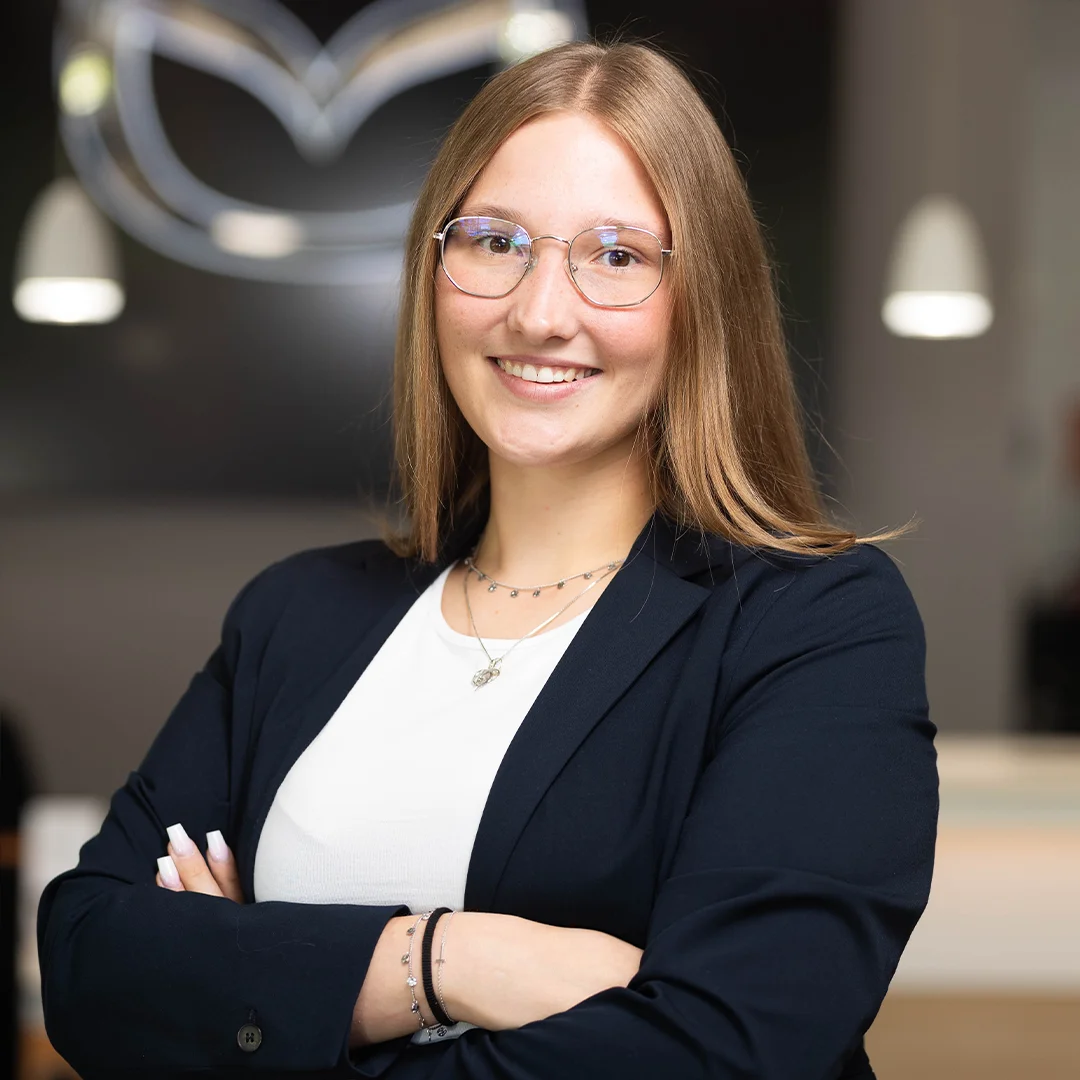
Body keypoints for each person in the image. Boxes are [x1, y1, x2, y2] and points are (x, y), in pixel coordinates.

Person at [36, 37, 937, 1080]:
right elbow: (91, 963)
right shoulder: (297, 614)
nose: (539, 313)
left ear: (705, 303)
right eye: (494, 240)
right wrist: (451, 959)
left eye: (616, 255)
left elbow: (729, 1051)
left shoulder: (813, 623)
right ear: (434, 267)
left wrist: (263, 988)